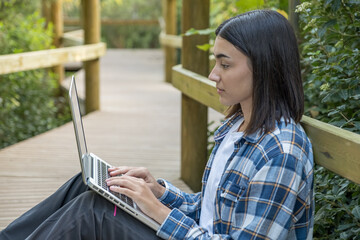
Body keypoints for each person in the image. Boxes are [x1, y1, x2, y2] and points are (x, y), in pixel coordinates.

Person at [0, 9, 314, 240]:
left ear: (264, 68)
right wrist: (158, 191)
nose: (213, 74)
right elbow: (209, 211)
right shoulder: (239, 127)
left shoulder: (281, 151)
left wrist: (156, 210)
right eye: (216, 61)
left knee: (92, 213)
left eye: (225, 64)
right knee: (90, 182)